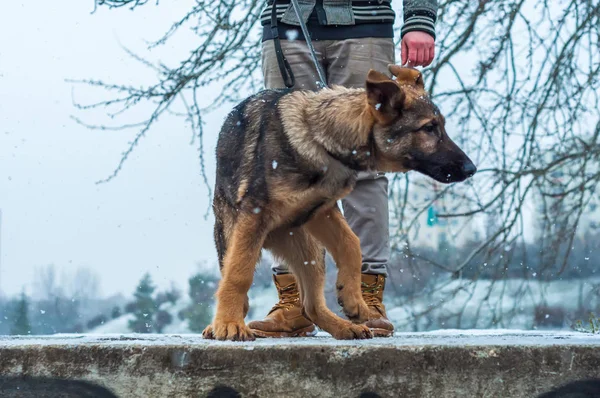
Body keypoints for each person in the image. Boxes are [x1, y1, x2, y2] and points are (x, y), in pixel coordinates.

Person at [248, 0, 438, 338]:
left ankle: (366, 299)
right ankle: (295, 302)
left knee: (367, 162)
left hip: (364, 25)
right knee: (287, 170)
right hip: (286, 23)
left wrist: (419, 20)